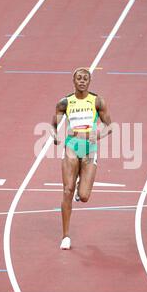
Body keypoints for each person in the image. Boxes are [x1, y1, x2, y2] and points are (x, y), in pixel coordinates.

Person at [50, 67, 112, 250]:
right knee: (67, 190)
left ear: (89, 81)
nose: (82, 80)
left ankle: (80, 186)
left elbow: (110, 125)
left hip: (90, 148)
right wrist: (54, 135)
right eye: (79, 78)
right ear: (74, 81)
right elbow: (53, 125)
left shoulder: (97, 101)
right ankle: (65, 236)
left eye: (85, 78)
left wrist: (98, 135)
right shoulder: (64, 103)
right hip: (71, 146)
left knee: (84, 196)